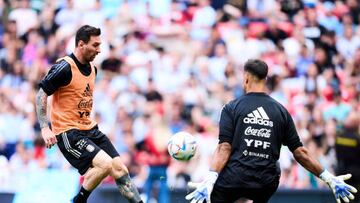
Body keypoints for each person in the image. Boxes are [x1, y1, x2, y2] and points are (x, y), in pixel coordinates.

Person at [185, 59, 357, 203]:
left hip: (234, 179)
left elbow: (224, 147)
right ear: (265, 79)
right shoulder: (281, 111)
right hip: (265, 183)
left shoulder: (232, 108)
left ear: (245, 78)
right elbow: (300, 152)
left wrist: (210, 179)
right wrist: (329, 178)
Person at [35, 25, 143, 203]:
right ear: (81, 44)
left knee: (120, 170)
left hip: (89, 128)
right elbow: (41, 94)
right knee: (105, 164)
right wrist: (45, 128)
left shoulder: (93, 70)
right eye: (95, 45)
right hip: (68, 132)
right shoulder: (64, 67)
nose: (99, 50)